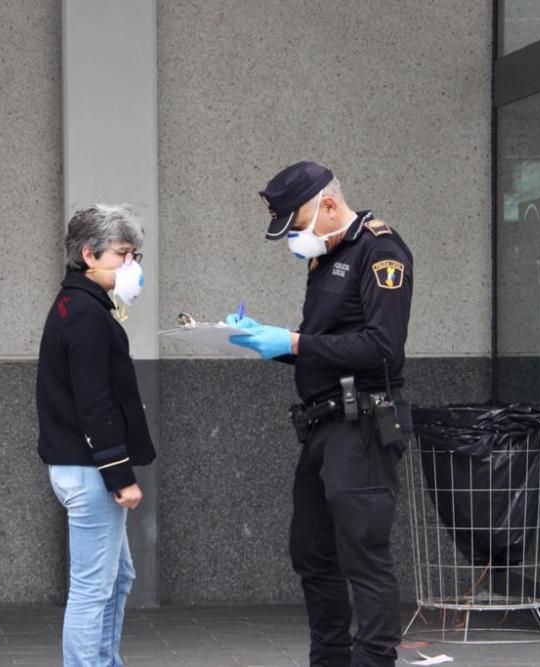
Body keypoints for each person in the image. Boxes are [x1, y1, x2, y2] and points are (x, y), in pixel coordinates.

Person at [229, 161, 414, 667]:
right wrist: (272, 343)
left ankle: (373, 659)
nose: (293, 236)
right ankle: (328, 658)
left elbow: (382, 349)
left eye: (296, 223)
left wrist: (292, 341)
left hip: (362, 423)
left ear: (329, 205)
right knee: (311, 551)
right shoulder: (326, 255)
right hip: (321, 424)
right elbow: (326, 343)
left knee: (363, 553)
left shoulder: (381, 251)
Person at [37, 204, 156, 667]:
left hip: (82, 467)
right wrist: (119, 475)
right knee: (92, 588)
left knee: (118, 577)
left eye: (135, 255)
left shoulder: (78, 303)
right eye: (123, 254)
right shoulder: (85, 313)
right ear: (89, 255)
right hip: (90, 471)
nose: (131, 266)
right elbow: (95, 402)